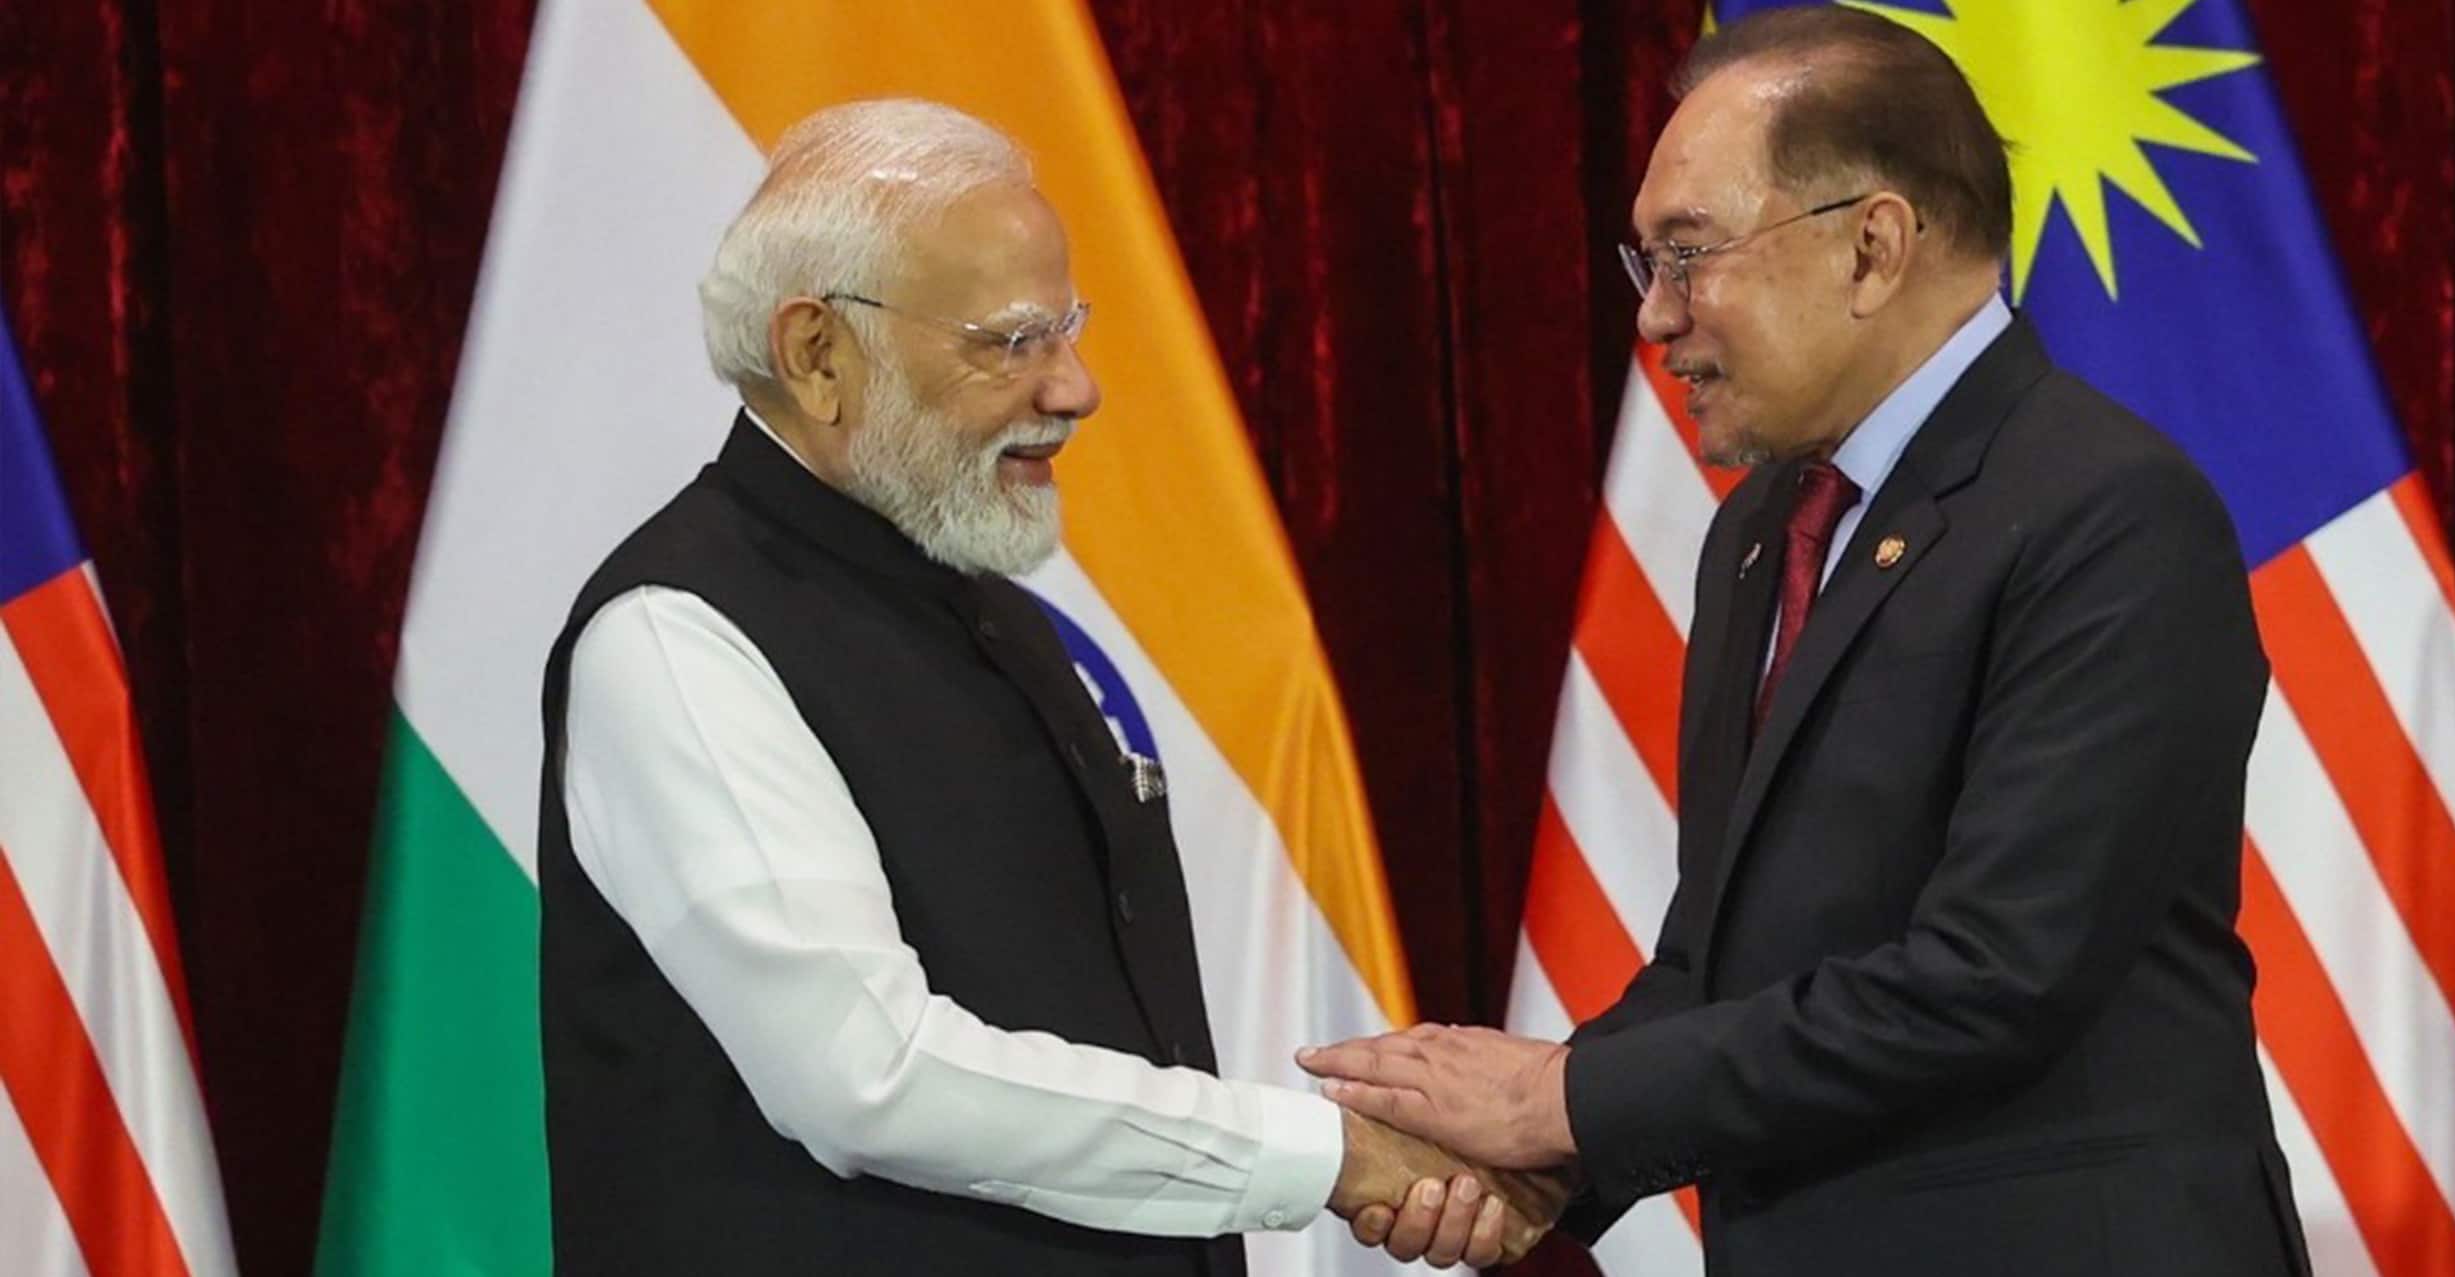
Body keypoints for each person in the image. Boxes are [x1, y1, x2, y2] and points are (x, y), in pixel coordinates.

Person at [1301, 10, 2310, 1274]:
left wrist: (1554, 1103)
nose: (1656, 320)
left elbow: (1991, 975)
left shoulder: (2108, 510)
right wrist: (1543, 1167)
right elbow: (1722, 963)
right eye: (1648, 266)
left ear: (1872, 248)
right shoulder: (1763, 533)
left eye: (1688, 255)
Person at [537, 98, 1540, 1273]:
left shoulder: (995, 608)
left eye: (1066, 330)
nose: (1076, 388)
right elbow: (870, 1075)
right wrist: (1327, 1154)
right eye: (1013, 340)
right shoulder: (675, 637)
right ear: (818, 353)